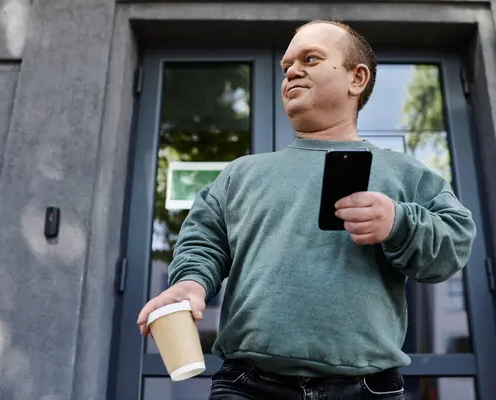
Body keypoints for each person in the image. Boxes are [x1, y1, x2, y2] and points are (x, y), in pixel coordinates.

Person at [137, 20, 476, 400]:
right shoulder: (241, 173)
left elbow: (455, 242)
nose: (292, 71)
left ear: (357, 78)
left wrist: (399, 223)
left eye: (310, 59)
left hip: (366, 389)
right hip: (246, 386)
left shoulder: (406, 174)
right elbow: (203, 243)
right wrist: (189, 284)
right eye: (286, 67)